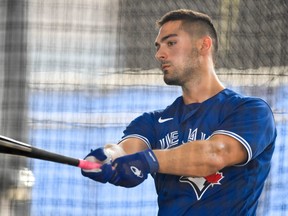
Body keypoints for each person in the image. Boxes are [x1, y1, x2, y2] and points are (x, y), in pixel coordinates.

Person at [81, 9, 277, 215]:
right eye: (158, 46)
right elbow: (126, 151)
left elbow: (213, 155)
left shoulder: (251, 111)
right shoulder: (152, 122)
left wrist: (148, 160)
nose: (159, 54)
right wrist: (108, 157)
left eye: (171, 43)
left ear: (204, 44)